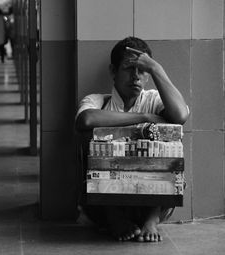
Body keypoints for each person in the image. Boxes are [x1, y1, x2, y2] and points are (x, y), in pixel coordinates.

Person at [75, 37, 190, 242]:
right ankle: (115, 218)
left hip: (152, 201)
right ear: (113, 71)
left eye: (142, 70)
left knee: (170, 138)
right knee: (90, 141)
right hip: (104, 204)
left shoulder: (154, 100)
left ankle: (151, 220)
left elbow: (181, 115)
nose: (136, 77)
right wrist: (144, 118)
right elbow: (86, 119)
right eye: (129, 68)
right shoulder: (98, 101)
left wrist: (156, 68)